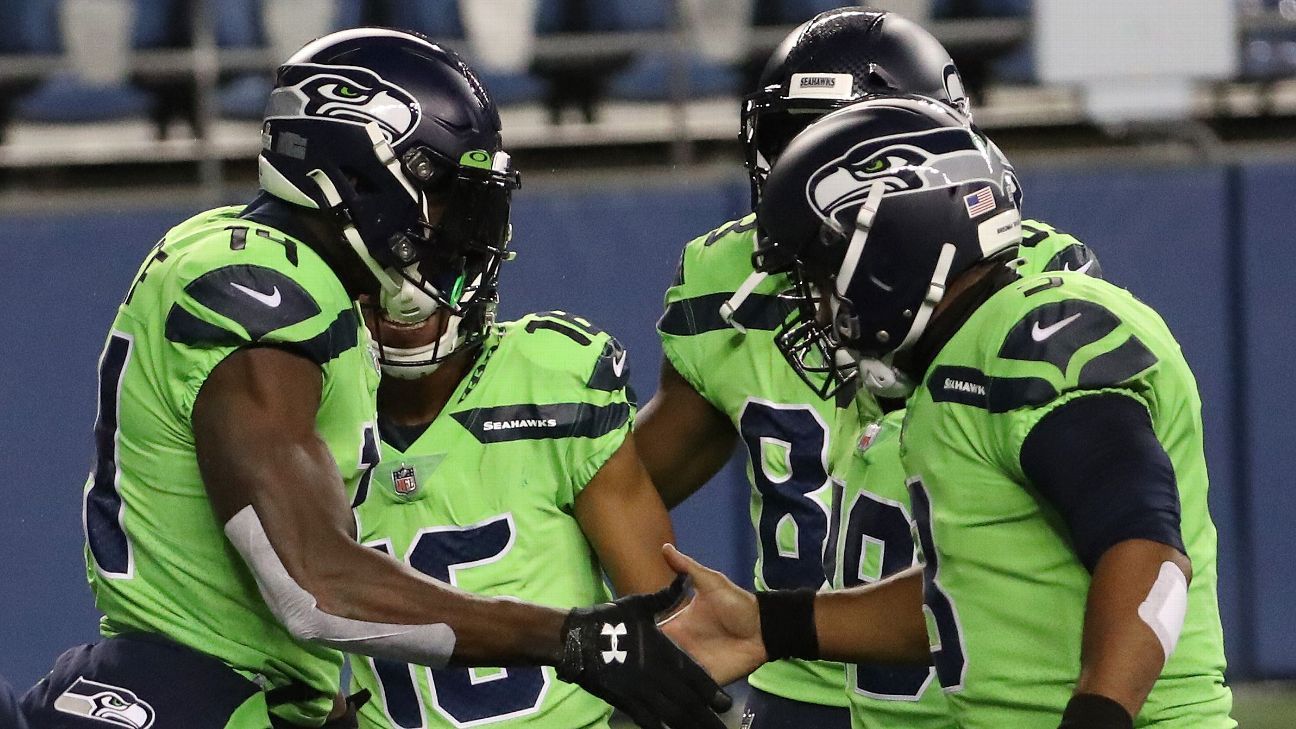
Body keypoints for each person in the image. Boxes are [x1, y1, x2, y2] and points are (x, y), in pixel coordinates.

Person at [19, 28, 728, 729]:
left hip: (235, 690)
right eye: (443, 189)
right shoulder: (258, 283)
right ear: (362, 166)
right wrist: (570, 636)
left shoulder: (301, 284)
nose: (459, 222)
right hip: (185, 693)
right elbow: (315, 586)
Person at [660, 96, 1235, 729]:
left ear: (890, 252)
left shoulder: (1041, 337)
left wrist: (1098, 717)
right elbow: (969, 600)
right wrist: (768, 625)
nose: (819, 309)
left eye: (823, 278)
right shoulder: (950, 368)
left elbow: (1150, 559)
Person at [636, 7, 1094, 728]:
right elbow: (630, 484)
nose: (804, 171)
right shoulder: (726, 278)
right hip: (798, 683)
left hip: (969, 680)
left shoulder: (1026, 276)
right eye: (791, 139)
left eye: (843, 143)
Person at [348, 241, 680, 726]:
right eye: (384, 269)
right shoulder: (310, 404)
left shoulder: (548, 381)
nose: (402, 293)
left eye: (427, 266)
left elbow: (669, 623)